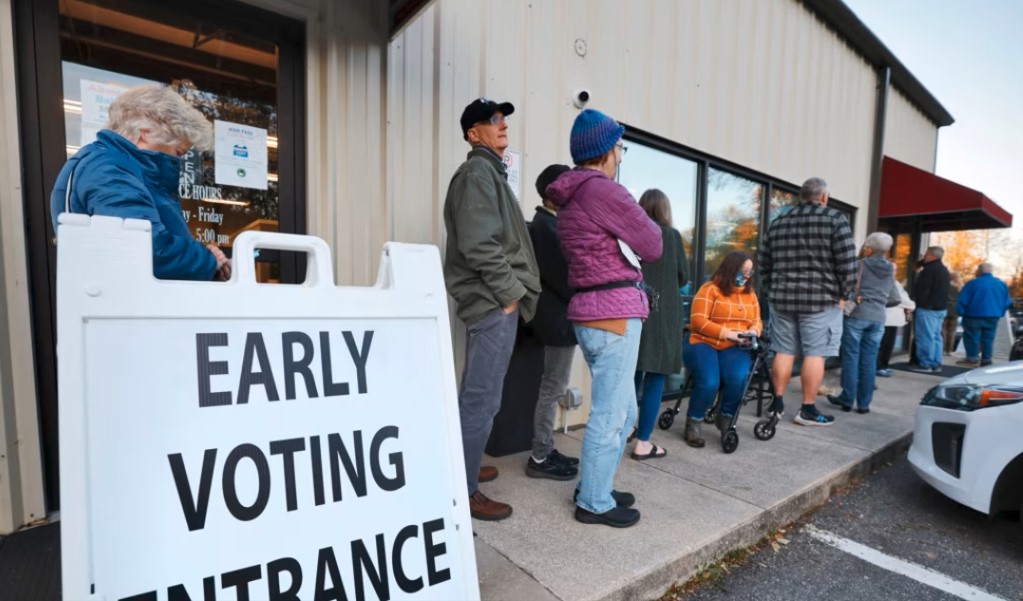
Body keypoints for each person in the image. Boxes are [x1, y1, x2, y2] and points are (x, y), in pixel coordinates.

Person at [546, 108, 662, 528]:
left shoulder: (575, 195)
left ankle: (595, 484)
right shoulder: (604, 192)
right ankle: (593, 501)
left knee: (624, 414)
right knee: (611, 417)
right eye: (620, 147)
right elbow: (652, 244)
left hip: (591, 312)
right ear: (607, 150)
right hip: (613, 313)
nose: (621, 155)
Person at [443, 97, 541, 521]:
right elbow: (479, 244)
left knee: (478, 396)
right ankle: (462, 491)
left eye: (502, 119)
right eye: (492, 120)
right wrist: (509, 295)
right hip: (492, 304)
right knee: (481, 400)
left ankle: (462, 464)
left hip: (493, 303)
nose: (502, 126)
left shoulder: (489, 173)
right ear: (473, 133)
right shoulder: (477, 174)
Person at [50, 84, 229, 281]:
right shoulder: (108, 169)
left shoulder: (116, 166)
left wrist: (203, 259)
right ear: (146, 133)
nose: (178, 161)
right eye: (178, 152)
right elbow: (146, 249)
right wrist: (208, 259)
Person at [757, 177, 856, 427]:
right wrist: (845, 295)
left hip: (782, 300)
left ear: (801, 196)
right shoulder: (835, 219)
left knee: (784, 350)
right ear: (824, 197)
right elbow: (847, 262)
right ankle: (807, 409)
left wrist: (771, 290)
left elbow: (764, 262)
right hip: (820, 301)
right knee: (815, 353)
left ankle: (776, 404)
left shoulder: (779, 222)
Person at [525, 164, 579, 480]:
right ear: (553, 192)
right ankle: (540, 457)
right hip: (557, 321)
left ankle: (544, 448)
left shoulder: (549, 225)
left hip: (556, 319)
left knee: (552, 386)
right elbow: (565, 279)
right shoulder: (547, 228)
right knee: (552, 387)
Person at [632, 189, 689, 453]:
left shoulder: (630, 233)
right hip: (663, 312)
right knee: (655, 377)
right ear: (665, 210)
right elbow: (683, 277)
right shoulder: (671, 236)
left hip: (632, 308)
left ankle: (624, 431)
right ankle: (643, 442)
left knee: (630, 375)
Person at [685, 251, 762, 441]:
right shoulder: (709, 289)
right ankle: (693, 422)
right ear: (730, 268)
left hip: (735, 345)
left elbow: (757, 320)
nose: (745, 276)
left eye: (749, 272)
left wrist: (753, 331)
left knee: (738, 377)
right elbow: (697, 321)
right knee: (710, 382)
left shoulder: (749, 294)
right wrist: (728, 333)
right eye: (742, 270)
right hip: (704, 341)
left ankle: (725, 417)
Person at [827, 233, 900, 414]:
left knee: (851, 357)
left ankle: (847, 398)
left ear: (869, 247)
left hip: (857, 315)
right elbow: (895, 298)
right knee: (869, 360)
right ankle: (864, 404)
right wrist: (878, 302)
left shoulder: (859, 264)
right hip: (878, 319)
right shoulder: (890, 269)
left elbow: (844, 287)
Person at [955, 262, 1011, 367]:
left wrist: (961, 313)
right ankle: (986, 359)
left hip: (973, 315)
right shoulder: (1000, 284)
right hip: (993, 316)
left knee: (972, 337)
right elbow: (1007, 302)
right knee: (988, 338)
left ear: (979, 271)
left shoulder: (972, 283)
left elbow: (962, 300)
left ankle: (972, 358)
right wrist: (1000, 312)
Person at [910, 246, 951, 373]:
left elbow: (922, 289)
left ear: (932, 256)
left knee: (925, 336)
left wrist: (920, 303)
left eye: (926, 254)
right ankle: (935, 363)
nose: (924, 256)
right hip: (940, 308)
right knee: (936, 336)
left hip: (928, 308)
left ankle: (925, 364)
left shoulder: (929, 270)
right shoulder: (943, 269)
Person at [876, 283, 914, 377]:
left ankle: (882, 366)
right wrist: (912, 305)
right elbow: (900, 298)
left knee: (886, 344)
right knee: (885, 344)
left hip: (891, 318)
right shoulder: (893, 282)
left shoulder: (892, 282)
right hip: (889, 318)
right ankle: (880, 366)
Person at [943, 273, 963, 354]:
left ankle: (943, 349)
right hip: (955, 310)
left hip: (945, 308)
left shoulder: (945, 285)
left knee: (943, 330)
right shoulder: (960, 287)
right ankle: (949, 350)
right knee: (952, 331)